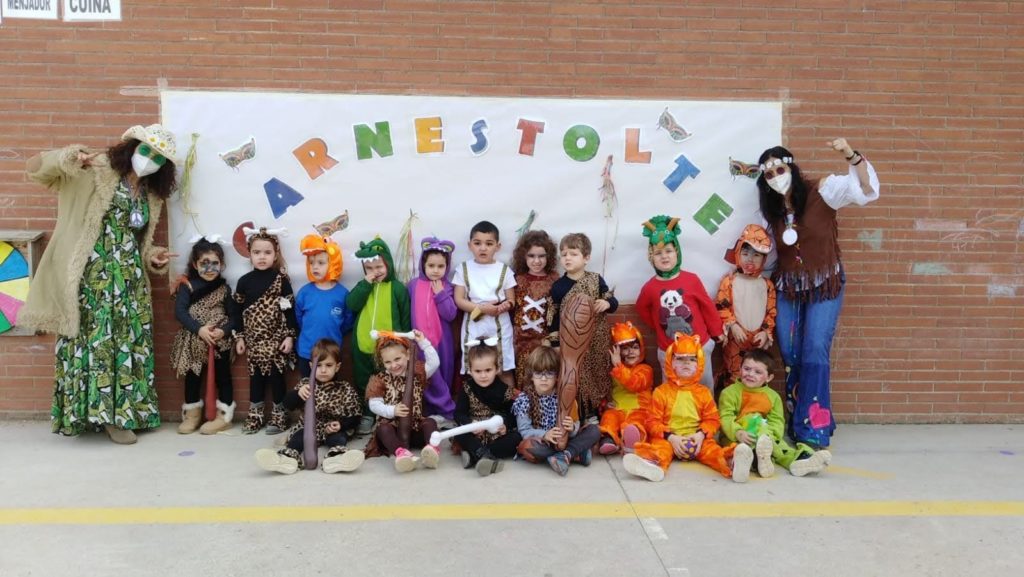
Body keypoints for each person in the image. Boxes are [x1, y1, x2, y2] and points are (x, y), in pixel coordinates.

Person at [21, 124, 178, 444]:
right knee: (97, 343)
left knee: (130, 344)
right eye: (146, 151)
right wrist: (67, 157)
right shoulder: (96, 169)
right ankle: (105, 417)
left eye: (158, 158)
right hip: (92, 277)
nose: (150, 160)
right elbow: (36, 169)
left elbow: (136, 240)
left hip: (130, 282)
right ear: (131, 147)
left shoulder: (150, 194)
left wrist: (154, 257)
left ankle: (130, 412)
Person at [756, 138, 880, 449]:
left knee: (814, 348)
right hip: (789, 286)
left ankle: (814, 428)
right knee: (790, 351)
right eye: (768, 175)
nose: (775, 177)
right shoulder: (770, 212)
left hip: (824, 283)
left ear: (792, 168)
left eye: (780, 170)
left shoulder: (822, 190)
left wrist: (850, 155)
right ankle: (800, 418)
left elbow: (866, 191)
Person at [623, 333, 741, 483]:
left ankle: (732, 463)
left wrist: (700, 435)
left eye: (692, 359)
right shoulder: (661, 392)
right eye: (680, 359)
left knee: (713, 451)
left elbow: (713, 420)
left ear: (699, 364)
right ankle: (653, 465)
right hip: (669, 438)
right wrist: (671, 437)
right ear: (670, 362)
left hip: (697, 439)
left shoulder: (703, 392)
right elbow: (652, 421)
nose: (686, 363)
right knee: (660, 449)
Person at [635, 215, 724, 389]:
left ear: (677, 252)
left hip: (698, 347)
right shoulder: (650, 287)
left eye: (668, 251)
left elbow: (707, 306)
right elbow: (642, 308)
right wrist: (658, 324)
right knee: (671, 390)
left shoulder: (692, 280)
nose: (664, 257)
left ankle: (706, 408)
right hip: (670, 350)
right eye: (658, 253)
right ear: (651, 257)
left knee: (704, 388)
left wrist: (717, 331)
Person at [718, 349, 832, 481]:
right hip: (738, 435)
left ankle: (799, 460)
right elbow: (725, 417)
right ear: (740, 369)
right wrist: (737, 432)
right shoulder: (729, 393)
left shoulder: (773, 397)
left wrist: (770, 435)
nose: (750, 374)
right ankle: (747, 462)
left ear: (769, 378)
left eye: (758, 372)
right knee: (738, 448)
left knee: (780, 446)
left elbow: (777, 420)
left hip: (765, 436)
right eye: (747, 369)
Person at [255, 339, 365, 475]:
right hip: (307, 428)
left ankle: (336, 459)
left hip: (332, 428)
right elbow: (287, 404)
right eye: (318, 366)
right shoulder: (306, 385)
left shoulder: (344, 388)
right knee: (298, 437)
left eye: (329, 365)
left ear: (337, 367)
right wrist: (298, 394)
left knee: (339, 438)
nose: (323, 370)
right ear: (311, 366)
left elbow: (355, 415)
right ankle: (287, 459)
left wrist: (341, 425)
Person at [232, 227, 297, 435]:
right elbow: (236, 311)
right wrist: (239, 337)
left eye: (267, 252)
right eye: (257, 252)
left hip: (276, 342)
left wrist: (289, 336)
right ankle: (255, 414)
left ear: (275, 255)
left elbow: (289, 310)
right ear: (249, 254)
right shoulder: (244, 282)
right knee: (256, 379)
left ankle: (280, 415)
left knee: (277, 378)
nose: (262, 257)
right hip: (254, 342)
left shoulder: (281, 281)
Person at [546, 232, 618, 421]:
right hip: (572, 344)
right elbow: (552, 317)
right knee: (575, 376)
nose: (567, 258)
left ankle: (599, 412)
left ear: (586, 258)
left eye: (573, 253)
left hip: (596, 340)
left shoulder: (596, 279)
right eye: (564, 254)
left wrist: (606, 303)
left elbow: (612, 301)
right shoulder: (558, 286)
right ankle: (581, 415)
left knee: (598, 374)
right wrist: (555, 344)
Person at [171, 235, 236, 435]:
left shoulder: (224, 289)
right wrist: (199, 329)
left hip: (219, 341)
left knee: (223, 377)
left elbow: (235, 317)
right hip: (193, 340)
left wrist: (223, 331)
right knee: (193, 377)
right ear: (195, 264)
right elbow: (180, 312)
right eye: (204, 263)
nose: (209, 268)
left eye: (215, 263)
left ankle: (223, 416)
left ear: (222, 264)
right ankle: (192, 415)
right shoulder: (187, 285)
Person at [346, 236, 411, 435]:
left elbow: (405, 316)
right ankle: (367, 413)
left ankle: (388, 414)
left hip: (389, 348)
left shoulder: (398, 288)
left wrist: (405, 342)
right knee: (364, 380)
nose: (375, 272)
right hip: (363, 344)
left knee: (388, 379)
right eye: (369, 268)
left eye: (379, 267)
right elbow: (352, 304)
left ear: (388, 264)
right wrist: (366, 284)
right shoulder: (363, 285)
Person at [363, 330, 442, 473]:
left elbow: (434, 363)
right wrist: (393, 410)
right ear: (382, 362)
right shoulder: (380, 379)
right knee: (383, 429)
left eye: (397, 359)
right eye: (388, 362)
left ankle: (431, 450)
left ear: (408, 355)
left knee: (430, 422)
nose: (393, 365)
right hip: (393, 430)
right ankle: (401, 453)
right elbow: (374, 405)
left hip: (414, 428)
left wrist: (423, 342)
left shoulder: (417, 373)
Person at [513, 346, 599, 476]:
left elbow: (575, 425)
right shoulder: (524, 400)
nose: (544, 378)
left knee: (594, 430)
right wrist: (545, 434)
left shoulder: (565, 397)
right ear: (531, 376)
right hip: (544, 443)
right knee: (529, 447)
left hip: (565, 440)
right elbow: (524, 431)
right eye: (538, 373)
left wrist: (572, 428)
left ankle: (566, 454)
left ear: (557, 376)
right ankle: (574, 454)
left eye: (549, 373)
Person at [452, 221, 516, 386]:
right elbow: (459, 300)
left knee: (504, 369)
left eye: (489, 244)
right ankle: (475, 401)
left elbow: (511, 300)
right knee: (475, 369)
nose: (483, 248)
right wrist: (482, 309)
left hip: (499, 327)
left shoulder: (504, 270)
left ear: (498, 246)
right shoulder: (463, 269)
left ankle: (510, 402)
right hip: (473, 326)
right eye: (477, 243)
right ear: (470, 245)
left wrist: (505, 306)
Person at [714, 224, 776, 385]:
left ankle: (755, 400)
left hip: (757, 340)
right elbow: (721, 306)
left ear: (764, 258)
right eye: (745, 253)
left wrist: (766, 332)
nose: (750, 259)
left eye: (756, 255)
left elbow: (771, 312)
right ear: (738, 254)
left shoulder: (767, 285)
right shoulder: (729, 281)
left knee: (756, 375)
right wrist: (733, 325)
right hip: (736, 339)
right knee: (734, 374)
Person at [407, 236, 458, 425]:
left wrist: (440, 295)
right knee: (425, 376)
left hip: (441, 341)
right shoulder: (413, 285)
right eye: (431, 266)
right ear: (423, 264)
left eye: (440, 266)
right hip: (419, 342)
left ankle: (446, 411)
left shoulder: (448, 287)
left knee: (442, 373)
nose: (435, 270)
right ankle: (428, 411)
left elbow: (450, 314)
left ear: (447, 266)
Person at [454, 340, 522, 476]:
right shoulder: (467, 388)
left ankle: (476, 455)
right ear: (470, 370)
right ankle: (484, 455)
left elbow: (512, 414)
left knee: (516, 438)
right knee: (460, 434)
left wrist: (505, 425)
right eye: (478, 371)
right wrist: (470, 424)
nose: (483, 375)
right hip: (475, 433)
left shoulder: (504, 390)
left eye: (488, 370)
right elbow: (458, 414)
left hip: (495, 434)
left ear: (497, 369)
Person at [295, 232, 353, 379]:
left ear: (333, 263)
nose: (315, 267)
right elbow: (299, 318)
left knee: (330, 389)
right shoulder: (305, 292)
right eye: (311, 263)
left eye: (321, 263)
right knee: (307, 388)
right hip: (307, 352)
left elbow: (348, 320)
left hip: (331, 355)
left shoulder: (342, 294)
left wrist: (335, 330)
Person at [510, 230, 560, 387]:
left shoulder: (554, 280)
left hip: (544, 342)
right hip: (521, 342)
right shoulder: (517, 280)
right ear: (523, 256)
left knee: (544, 377)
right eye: (531, 256)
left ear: (548, 256)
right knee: (524, 378)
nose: (536, 261)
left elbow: (559, 312)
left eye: (541, 256)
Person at [597, 322, 655, 455]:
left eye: (635, 348)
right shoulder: (613, 370)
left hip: (639, 410)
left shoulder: (646, 369)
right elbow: (606, 391)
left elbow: (635, 384)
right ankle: (609, 440)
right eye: (625, 348)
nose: (630, 352)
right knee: (609, 418)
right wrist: (605, 404)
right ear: (617, 352)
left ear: (641, 349)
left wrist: (618, 366)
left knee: (636, 424)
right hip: (618, 410)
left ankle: (633, 442)